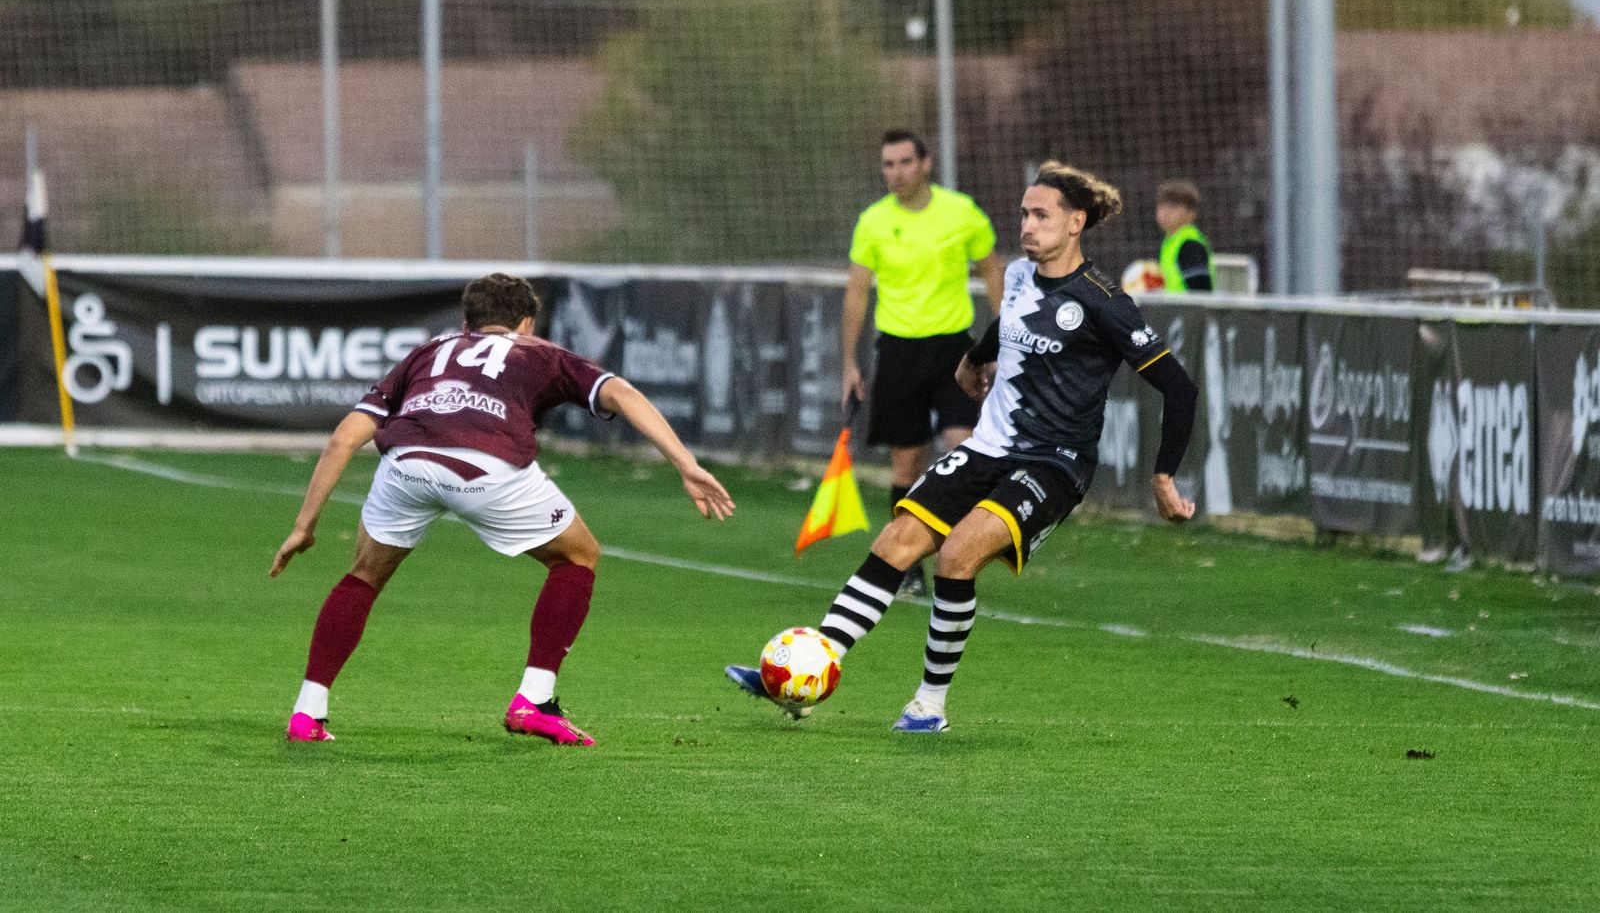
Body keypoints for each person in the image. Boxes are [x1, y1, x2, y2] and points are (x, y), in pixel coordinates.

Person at [728, 162, 1198, 731]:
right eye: (1024, 213)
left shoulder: (1104, 302)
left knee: (957, 556)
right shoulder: (1022, 276)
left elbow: (1178, 385)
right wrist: (973, 360)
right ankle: (804, 667)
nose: (1026, 224)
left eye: (1041, 214)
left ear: (1076, 222)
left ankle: (929, 706)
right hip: (989, 446)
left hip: (1054, 464)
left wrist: (1164, 476)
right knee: (896, 541)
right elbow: (1008, 327)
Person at [271, 272, 734, 746]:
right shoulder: (540, 352)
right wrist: (685, 463)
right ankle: (534, 700)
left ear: (466, 320)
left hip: (405, 464)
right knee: (577, 555)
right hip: (484, 468)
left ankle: (307, 714)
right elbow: (622, 395)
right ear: (526, 323)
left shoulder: (427, 352)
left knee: (364, 575)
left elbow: (343, 438)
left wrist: (304, 527)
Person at [842, 129, 1004, 599]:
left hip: (954, 350)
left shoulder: (961, 213)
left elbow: (992, 270)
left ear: (926, 163)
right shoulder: (873, 221)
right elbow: (856, 291)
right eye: (888, 164)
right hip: (897, 351)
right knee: (906, 464)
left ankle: (959, 556)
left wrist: (1000, 339)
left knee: (964, 448)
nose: (896, 172)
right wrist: (848, 362)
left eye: (905, 162)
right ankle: (907, 566)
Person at [1154, 179, 1215, 292]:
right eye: (1162, 206)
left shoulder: (1190, 244)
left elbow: (1201, 291)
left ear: (1191, 213)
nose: (1166, 213)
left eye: (1174, 207)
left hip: (1188, 310)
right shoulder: (1171, 241)